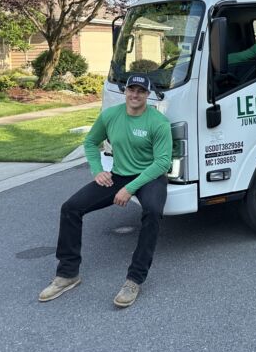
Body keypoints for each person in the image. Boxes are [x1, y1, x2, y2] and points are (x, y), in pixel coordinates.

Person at [39, 74, 173, 308]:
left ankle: (134, 280)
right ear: (125, 91)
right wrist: (97, 170)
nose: (135, 94)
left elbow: (162, 163)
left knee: (152, 212)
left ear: (148, 94)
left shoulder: (158, 122)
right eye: (131, 89)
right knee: (71, 208)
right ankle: (68, 274)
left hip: (150, 177)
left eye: (141, 91)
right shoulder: (110, 116)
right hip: (120, 175)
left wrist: (129, 189)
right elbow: (91, 142)